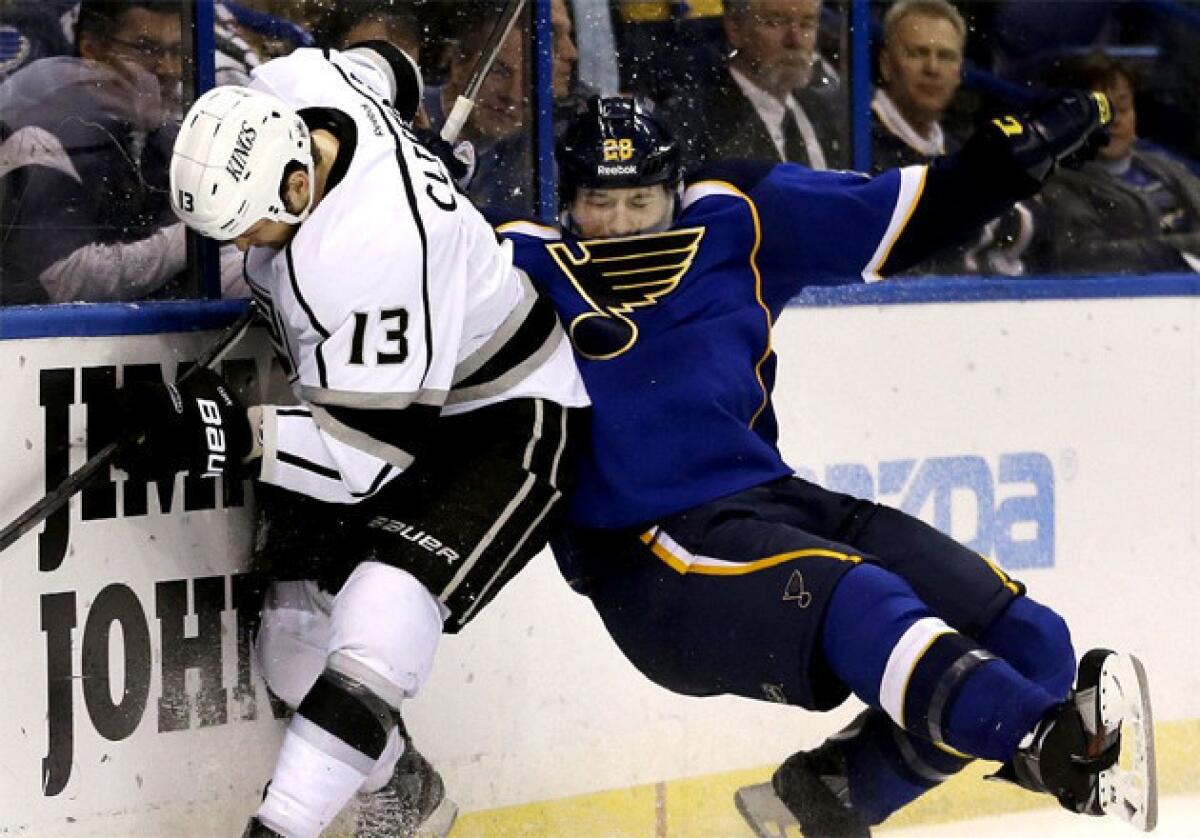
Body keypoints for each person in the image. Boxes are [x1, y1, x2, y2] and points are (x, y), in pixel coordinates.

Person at [492, 95, 1156, 836]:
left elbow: (900, 216)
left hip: (765, 501)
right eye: (596, 202)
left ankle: (830, 796)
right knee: (864, 600)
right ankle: (1042, 745)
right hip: (647, 559)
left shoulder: (737, 213)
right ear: (564, 200)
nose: (617, 223)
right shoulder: (511, 263)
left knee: (1031, 640)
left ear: (673, 190)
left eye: (639, 201)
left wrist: (1001, 166)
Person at [113, 41, 589, 838]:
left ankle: (280, 829)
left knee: (380, 613)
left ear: (300, 183)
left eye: (251, 229)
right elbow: (387, 63)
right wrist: (415, 126)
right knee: (293, 643)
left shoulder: (364, 250)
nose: (242, 251)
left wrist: (225, 434)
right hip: (386, 401)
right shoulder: (294, 83)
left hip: (504, 414)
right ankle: (406, 794)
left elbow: (364, 457)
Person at [0, 0, 186, 304]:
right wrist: (195, 239)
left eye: (177, 51)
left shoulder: (159, 132)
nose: (169, 69)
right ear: (93, 50)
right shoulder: (43, 129)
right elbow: (62, 277)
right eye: (146, 48)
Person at [872, 0, 1034, 276]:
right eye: (917, 53)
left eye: (945, 56)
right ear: (887, 64)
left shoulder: (970, 150)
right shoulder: (860, 141)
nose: (932, 68)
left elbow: (1037, 224)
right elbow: (915, 234)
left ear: (959, 71)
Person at [1028, 52, 1200, 275]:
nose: (1115, 120)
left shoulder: (1167, 167)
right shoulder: (1055, 183)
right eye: (1101, 112)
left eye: (1123, 108)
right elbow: (1079, 256)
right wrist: (1179, 249)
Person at [669, 0, 848, 171]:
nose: (795, 40)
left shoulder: (830, 111)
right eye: (775, 22)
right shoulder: (695, 122)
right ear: (735, 28)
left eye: (806, 24)